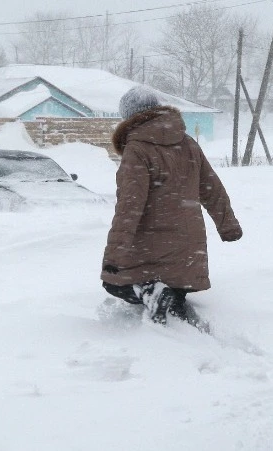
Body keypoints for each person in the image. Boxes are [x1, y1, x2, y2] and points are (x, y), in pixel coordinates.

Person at [101, 86, 242, 327]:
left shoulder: (137, 148)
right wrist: (228, 225)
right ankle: (171, 300)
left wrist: (114, 255)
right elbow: (212, 188)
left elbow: (129, 207)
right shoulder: (186, 143)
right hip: (188, 245)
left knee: (114, 282)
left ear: (129, 116)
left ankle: (151, 293)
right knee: (176, 283)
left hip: (150, 241)